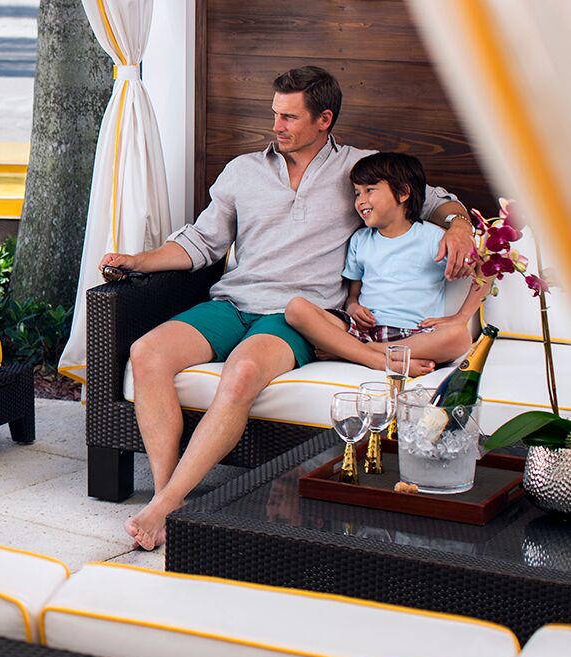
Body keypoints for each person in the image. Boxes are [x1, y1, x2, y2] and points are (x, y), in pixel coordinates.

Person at [98, 66, 474, 550]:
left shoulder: (360, 171)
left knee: (242, 371)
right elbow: (202, 242)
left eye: (290, 117)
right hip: (233, 302)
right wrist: (138, 260)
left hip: (298, 315)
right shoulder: (242, 171)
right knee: (147, 352)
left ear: (324, 119)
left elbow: (433, 201)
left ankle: (164, 506)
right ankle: (169, 497)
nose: (276, 126)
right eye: (275, 113)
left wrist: (459, 226)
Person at [284, 152, 485, 371]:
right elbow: (353, 295)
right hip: (364, 331)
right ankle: (381, 358)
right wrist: (353, 307)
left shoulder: (433, 238)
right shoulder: (360, 240)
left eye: (369, 190)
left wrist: (462, 316)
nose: (360, 201)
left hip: (415, 335)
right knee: (296, 308)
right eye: (357, 193)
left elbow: (488, 265)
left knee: (459, 337)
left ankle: (363, 351)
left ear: (403, 193)